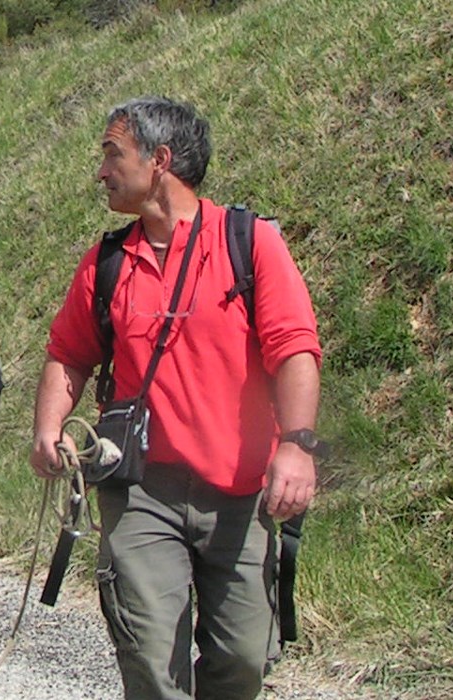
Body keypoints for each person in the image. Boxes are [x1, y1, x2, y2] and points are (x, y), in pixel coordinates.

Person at [29, 97, 324, 700]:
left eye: (113, 154)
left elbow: (296, 348)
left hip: (242, 491)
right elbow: (70, 352)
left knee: (242, 660)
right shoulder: (107, 262)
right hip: (141, 491)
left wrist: (296, 446)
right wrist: (49, 425)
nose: (101, 170)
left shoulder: (251, 243)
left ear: (159, 160)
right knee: (150, 660)